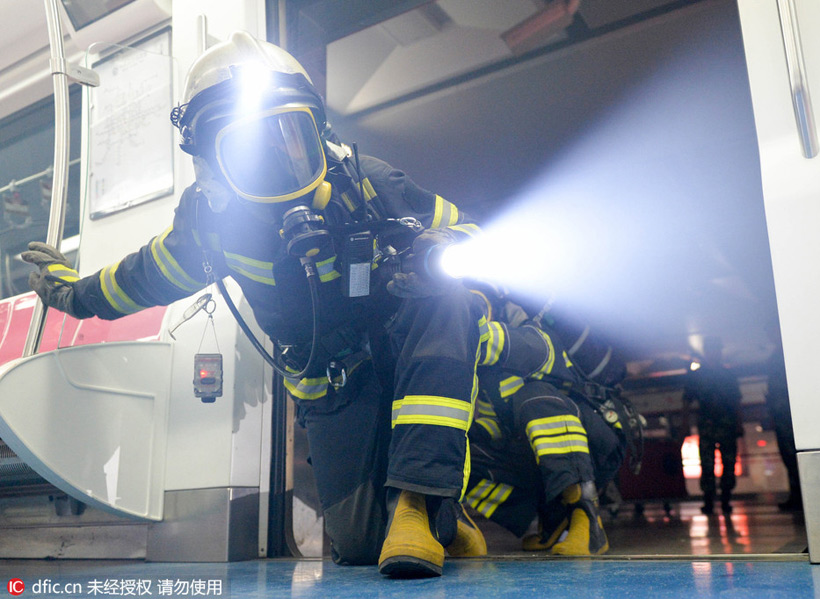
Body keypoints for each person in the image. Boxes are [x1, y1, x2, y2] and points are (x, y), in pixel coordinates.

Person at [22, 31, 488, 578]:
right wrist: (72, 293)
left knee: (451, 294)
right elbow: (141, 278)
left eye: (291, 137)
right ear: (211, 164)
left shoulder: (366, 183)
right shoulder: (211, 225)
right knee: (359, 546)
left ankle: (420, 505)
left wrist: (440, 247)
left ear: (320, 134)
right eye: (250, 148)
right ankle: (442, 519)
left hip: (401, 354)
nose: (279, 159)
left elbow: (470, 234)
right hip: (332, 385)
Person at [463, 286, 633, 555]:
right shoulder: (483, 373)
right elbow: (494, 426)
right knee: (457, 448)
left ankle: (587, 519)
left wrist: (473, 337)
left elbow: (539, 354)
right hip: (552, 450)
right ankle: (553, 515)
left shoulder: (532, 321)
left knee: (535, 398)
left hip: (598, 440)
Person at [682, 336, 742, 515]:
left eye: (716, 350)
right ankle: (709, 501)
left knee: (729, 463)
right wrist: (684, 423)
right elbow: (686, 400)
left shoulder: (728, 375)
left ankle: (725, 500)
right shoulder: (697, 376)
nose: (714, 354)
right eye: (711, 350)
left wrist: (739, 423)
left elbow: (737, 401)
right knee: (707, 464)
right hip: (707, 425)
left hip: (727, 425)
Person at [764, 318, 802, 511]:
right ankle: (796, 495)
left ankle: (801, 496)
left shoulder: (792, 353)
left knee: (796, 456)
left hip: (794, 416)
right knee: (788, 456)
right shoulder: (774, 358)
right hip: (781, 416)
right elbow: (771, 392)